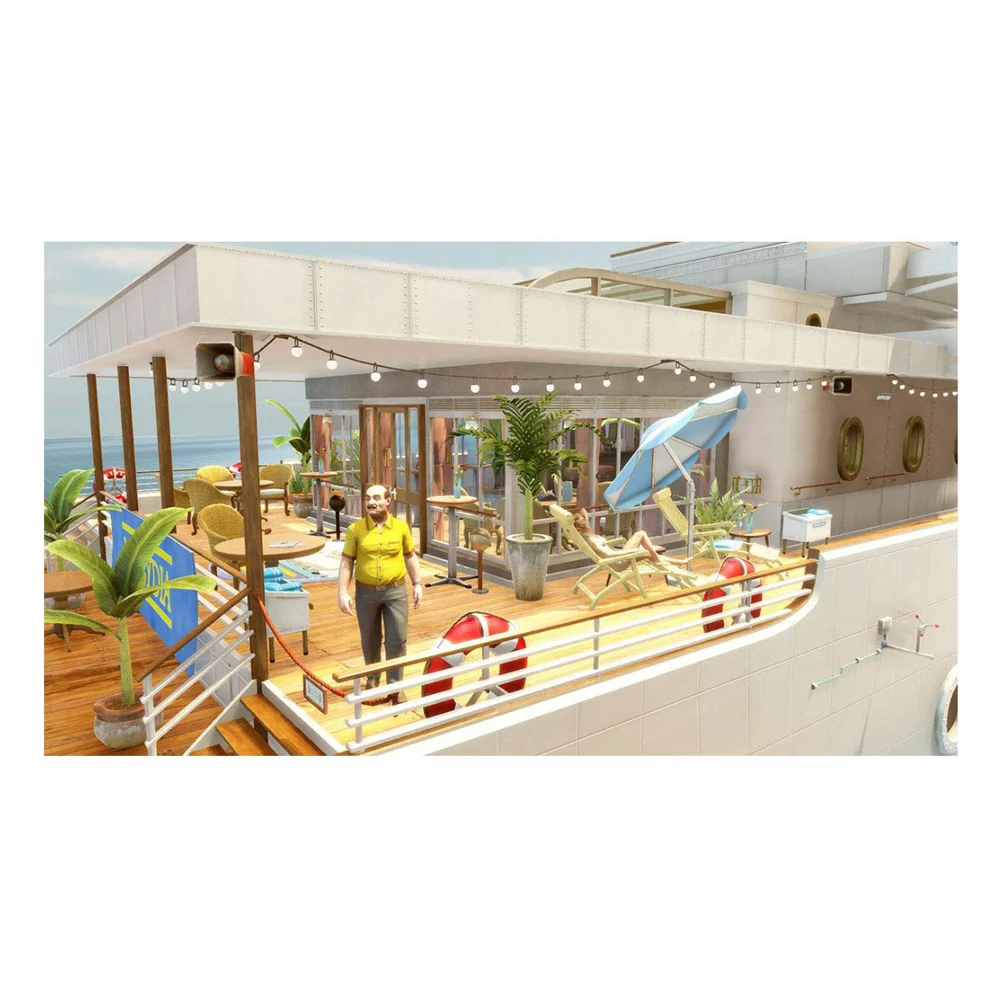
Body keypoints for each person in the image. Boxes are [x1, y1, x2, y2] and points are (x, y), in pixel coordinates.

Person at [338, 484, 423, 703]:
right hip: (365, 594)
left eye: (376, 498)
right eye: (367, 498)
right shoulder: (355, 529)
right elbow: (347, 561)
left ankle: (395, 686)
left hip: (396, 592)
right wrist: (342, 591)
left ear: (388, 501)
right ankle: (372, 679)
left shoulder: (401, 528)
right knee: (370, 639)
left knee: (398, 640)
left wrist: (417, 583)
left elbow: (410, 556)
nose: (371, 502)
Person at [571, 509, 673, 568]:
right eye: (583, 523)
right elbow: (609, 554)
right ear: (578, 529)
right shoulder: (590, 540)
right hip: (618, 562)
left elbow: (583, 510)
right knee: (646, 546)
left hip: (619, 557)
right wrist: (633, 551)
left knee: (645, 542)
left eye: (585, 521)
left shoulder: (587, 534)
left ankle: (673, 562)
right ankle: (665, 561)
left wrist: (584, 518)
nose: (586, 524)